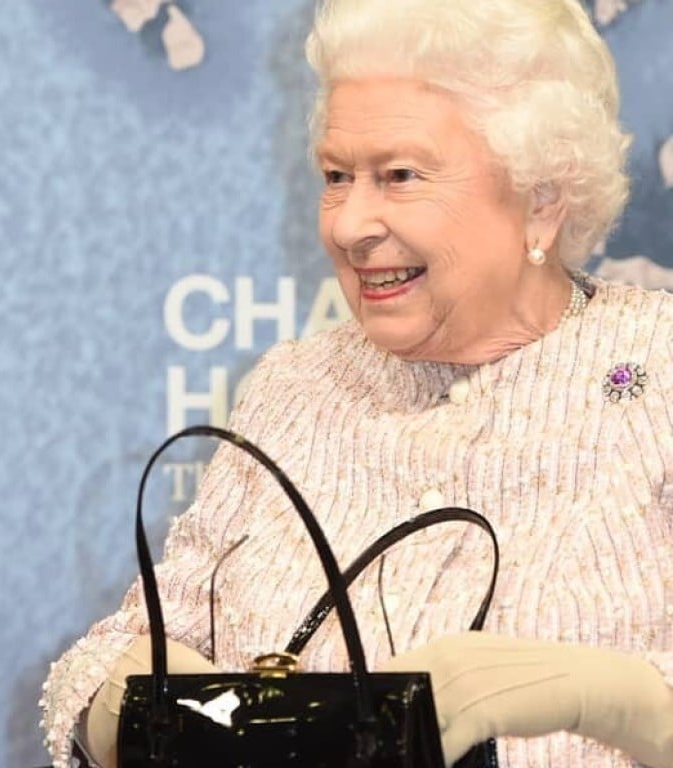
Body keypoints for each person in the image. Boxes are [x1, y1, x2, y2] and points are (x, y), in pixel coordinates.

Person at [40, 0, 673, 766]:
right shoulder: (294, 389)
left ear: (540, 199)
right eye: (338, 176)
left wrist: (614, 701)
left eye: (399, 176)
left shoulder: (658, 369)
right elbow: (118, 653)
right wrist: (120, 701)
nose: (347, 224)